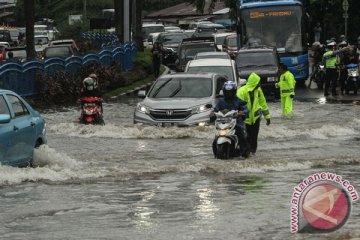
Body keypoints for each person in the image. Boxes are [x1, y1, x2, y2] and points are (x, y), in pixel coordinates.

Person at [211, 81, 250, 158]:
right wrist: (212, 113)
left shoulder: (238, 100)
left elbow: (245, 108)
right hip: (223, 123)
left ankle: (244, 152)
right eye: (227, 92)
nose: (229, 94)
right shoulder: (221, 101)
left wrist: (243, 112)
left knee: (241, 136)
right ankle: (215, 153)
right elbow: (215, 109)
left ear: (234, 91)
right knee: (215, 139)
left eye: (230, 92)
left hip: (236, 123)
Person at [236, 72, 271, 156]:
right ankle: (245, 152)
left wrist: (267, 117)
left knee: (254, 137)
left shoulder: (258, 91)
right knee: (245, 137)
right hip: (244, 119)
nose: (259, 84)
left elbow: (263, 103)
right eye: (258, 82)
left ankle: (252, 152)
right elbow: (237, 105)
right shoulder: (241, 91)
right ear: (254, 83)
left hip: (256, 118)